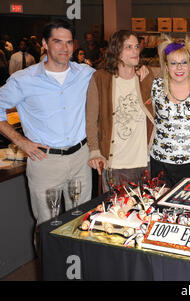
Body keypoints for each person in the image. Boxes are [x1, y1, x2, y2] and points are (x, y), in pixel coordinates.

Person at [0, 19, 94, 225]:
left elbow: (115, 81)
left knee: (81, 224)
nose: (64, 48)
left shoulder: (85, 74)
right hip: (44, 161)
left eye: (69, 42)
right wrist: (21, 142)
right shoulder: (23, 80)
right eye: (57, 42)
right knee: (47, 226)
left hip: (80, 158)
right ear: (44, 43)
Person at [85, 30, 155, 192]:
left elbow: (178, 71)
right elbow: (91, 119)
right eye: (129, 47)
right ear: (116, 51)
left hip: (143, 162)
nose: (135, 51)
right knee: (116, 213)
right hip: (114, 164)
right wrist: (94, 150)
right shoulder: (100, 78)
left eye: (137, 46)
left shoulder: (145, 75)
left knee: (144, 212)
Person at [150, 37, 190, 187]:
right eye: (174, 63)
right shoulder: (155, 86)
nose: (179, 68)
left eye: (184, 62)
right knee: (161, 207)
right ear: (166, 66)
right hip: (160, 162)